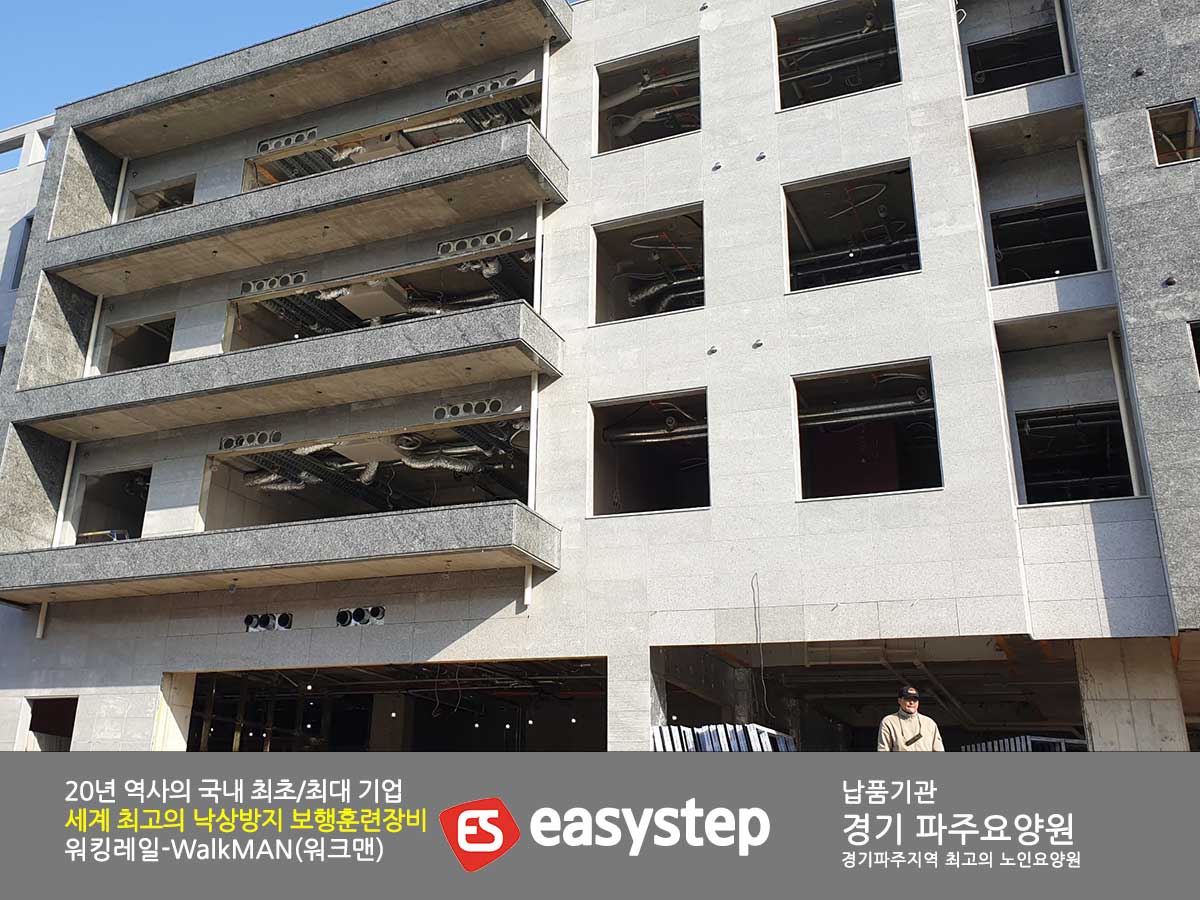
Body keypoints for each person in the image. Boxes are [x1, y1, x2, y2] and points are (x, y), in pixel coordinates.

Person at [877, 685, 944, 752]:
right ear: (899, 700)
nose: (912, 702)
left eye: (915, 699)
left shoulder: (929, 723)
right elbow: (883, 750)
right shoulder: (889, 722)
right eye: (908, 699)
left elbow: (939, 750)